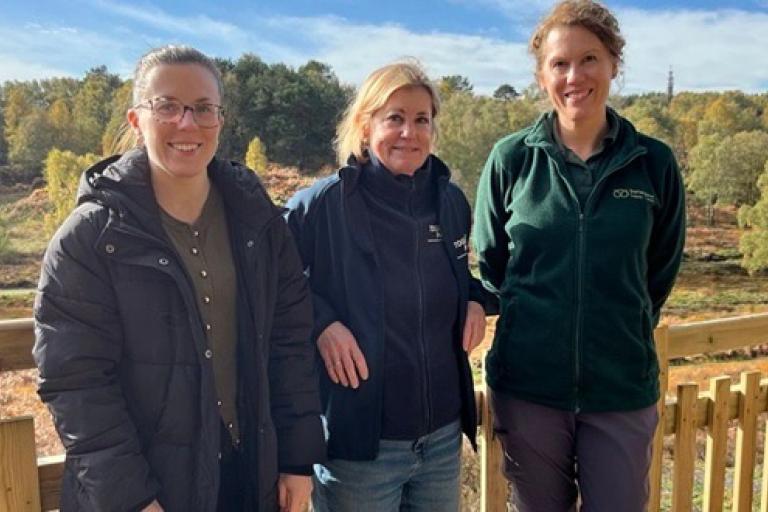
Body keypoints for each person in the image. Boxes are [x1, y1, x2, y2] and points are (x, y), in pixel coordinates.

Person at [33, 45, 325, 512]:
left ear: (220, 121)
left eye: (203, 109)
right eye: (166, 106)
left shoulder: (259, 223)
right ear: (135, 120)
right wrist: (130, 498)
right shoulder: (90, 238)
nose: (186, 124)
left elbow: (288, 344)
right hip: (148, 488)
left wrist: (296, 459)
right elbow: (77, 382)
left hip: (249, 474)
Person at [473, 1, 686, 510]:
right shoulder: (512, 159)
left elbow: (660, 268)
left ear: (614, 63)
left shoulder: (652, 162)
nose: (575, 76)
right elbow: (492, 263)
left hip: (620, 388)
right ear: (542, 75)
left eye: (589, 59)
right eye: (559, 64)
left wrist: (622, 324)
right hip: (529, 390)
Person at [285, 61, 488, 512]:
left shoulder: (450, 201)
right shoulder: (321, 206)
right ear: (365, 124)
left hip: (439, 440)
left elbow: (454, 278)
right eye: (394, 118)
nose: (408, 133)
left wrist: (472, 299)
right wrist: (322, 323)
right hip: (359, 446)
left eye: (421, 120)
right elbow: (272, 286)